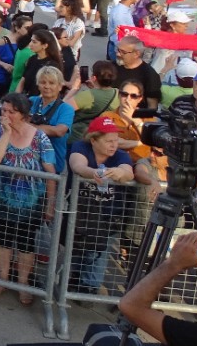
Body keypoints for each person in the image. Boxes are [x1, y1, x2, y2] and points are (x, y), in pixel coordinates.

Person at [0, 93, 57, 307]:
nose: (5, 115)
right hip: (3, 201)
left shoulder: (40, 138)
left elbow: (51, 172)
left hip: (31, 203)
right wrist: (6, 133)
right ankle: (3, 279)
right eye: (3, 111)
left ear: (23, 115)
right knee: (2, 240)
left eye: (11, 112)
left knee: (26, 244)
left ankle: (23, 283)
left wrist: (50, 204)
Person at [67, 115, 133, 297]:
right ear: (94, 140)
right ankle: (72, 280)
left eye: (116, 140)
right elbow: (77, 165)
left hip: (108, 214)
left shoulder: (121, 155)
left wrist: (121, 172)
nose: (114, 144)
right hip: (82, 212)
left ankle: (90, 288)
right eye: (109, 141)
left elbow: (128, 173)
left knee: (99, 253)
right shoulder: (81, 147)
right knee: (77, 249)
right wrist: (93, 173)